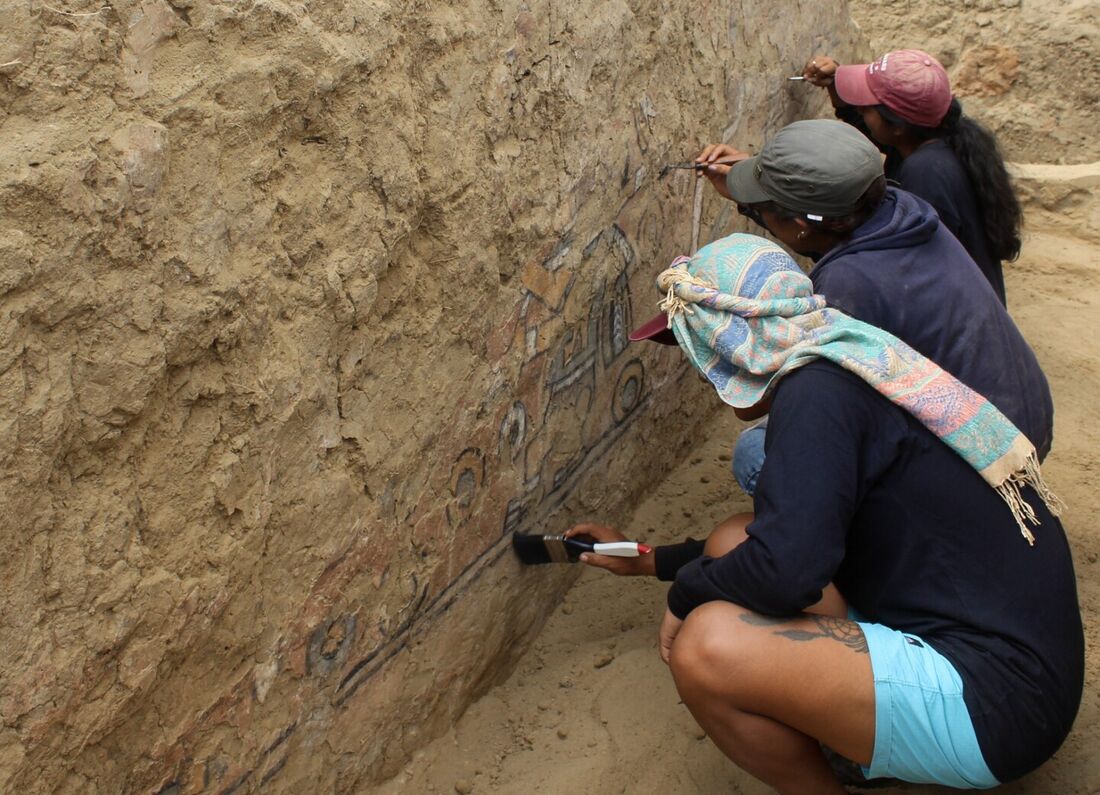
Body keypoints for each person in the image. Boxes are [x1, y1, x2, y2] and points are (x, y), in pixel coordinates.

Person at [570, 234, 1083, 792]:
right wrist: (651, 561)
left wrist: (686, 590)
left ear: (735, 340)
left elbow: (789, 570)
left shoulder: (816, 394)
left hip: (996, 710)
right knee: (734, 538)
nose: (701, 370)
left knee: (706, 647)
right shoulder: (849, 353)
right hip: (1023, 670)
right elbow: (785, 544)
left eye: (697, 346)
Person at [689, 118, 1051, 497]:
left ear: (800, 222)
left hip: (984, 462)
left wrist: (711, 341)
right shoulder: (903, 209)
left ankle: (867, 547)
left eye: (767, 205)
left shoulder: (848, 288)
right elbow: (824, 232)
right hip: (1022, 423)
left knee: (757, 452)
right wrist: (764, 188)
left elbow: (762, 399)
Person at [802, 49, 1022, 306]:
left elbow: (894, 261)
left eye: (866, 108)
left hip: (950, 319)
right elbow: (876, 129)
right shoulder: (939, 138)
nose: (860, 110)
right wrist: (837, 88)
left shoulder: (925, 174)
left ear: (898, 126)